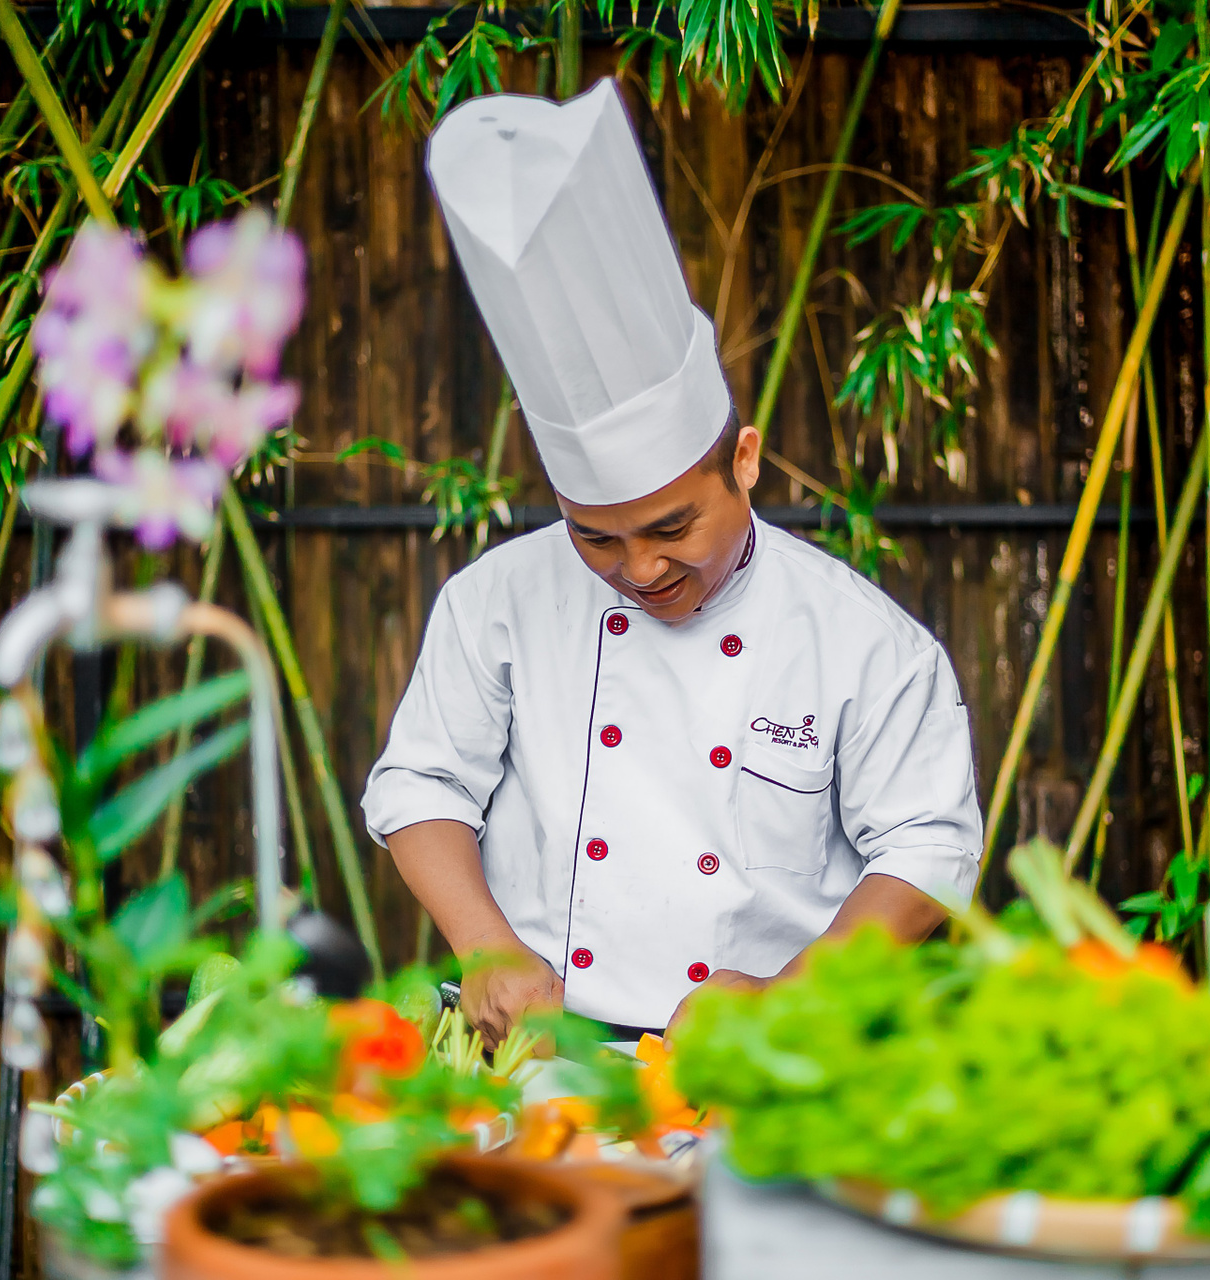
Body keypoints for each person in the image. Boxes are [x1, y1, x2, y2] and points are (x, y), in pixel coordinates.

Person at [362, 79, 982, 1045]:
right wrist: (485, 946)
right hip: (540, 1056)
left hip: (762, 1058)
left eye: (670, 528)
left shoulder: (864, 642)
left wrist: (792, 995)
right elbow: (421, 786)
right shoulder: (496, 600)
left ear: (745, 462)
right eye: (595, 537)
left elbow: (927, 845)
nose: (640, 569)